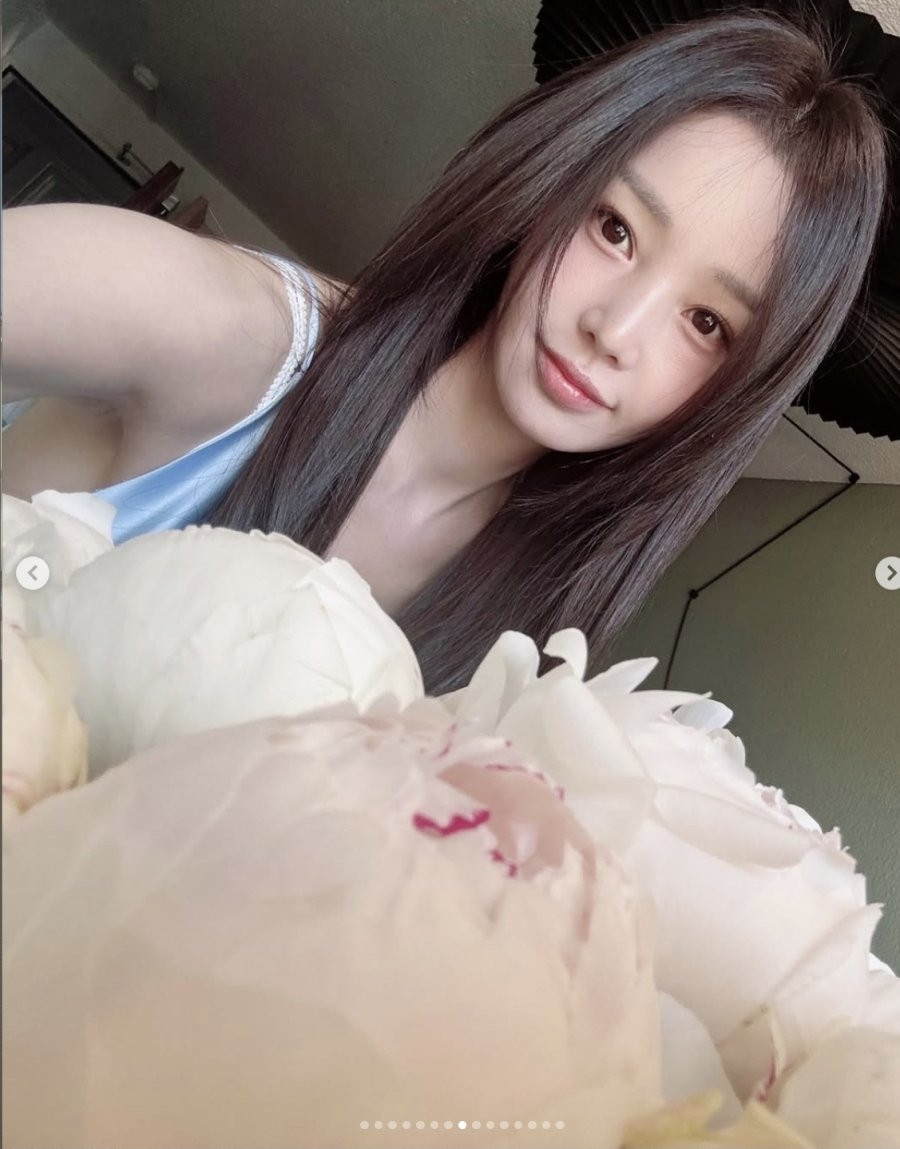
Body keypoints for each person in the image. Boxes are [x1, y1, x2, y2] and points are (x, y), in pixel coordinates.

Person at [2, 9, 889, 694]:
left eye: (707, 324)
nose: (615, 331)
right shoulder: (234, 335)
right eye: (615, 229)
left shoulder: (530, 641)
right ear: (551, 188)